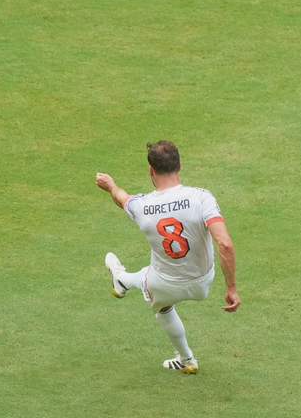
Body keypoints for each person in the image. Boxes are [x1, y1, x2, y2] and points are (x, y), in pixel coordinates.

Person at [96, 140, 240, 374]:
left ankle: (186, 358)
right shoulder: (202, 197)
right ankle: (122, 280)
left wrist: (110, 185)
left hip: (164, 286)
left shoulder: (142, 205)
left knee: (158, 298)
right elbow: (224, 243)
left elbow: (121, 197)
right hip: (204, 283)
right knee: (150, 279)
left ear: (151, 170)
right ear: (180, 166)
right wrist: (231, 288)